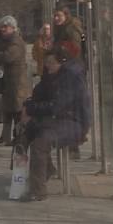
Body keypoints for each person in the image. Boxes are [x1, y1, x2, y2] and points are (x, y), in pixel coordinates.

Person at [19, 47, 90, 201]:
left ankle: (38, 191)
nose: (48, 66)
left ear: (62, 63)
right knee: (24, 136)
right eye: (46, 63)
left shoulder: (70, 77)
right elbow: (38, 94)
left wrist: (31, 109)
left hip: (72, 122)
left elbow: (58, 106)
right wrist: (28, 106)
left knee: (39, 143)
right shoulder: (52, 76)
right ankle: (42, 172)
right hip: (56, 119)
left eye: (51, 63)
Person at [0, 15, 29, 145]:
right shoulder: (7, 40)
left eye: (5, 27)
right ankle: (6, 136)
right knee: (8, 110)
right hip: (9, 81)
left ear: (12, 28)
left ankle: (19, 137)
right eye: (1, 27)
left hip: (17, 82)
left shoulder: (15, 41)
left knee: (17, 111)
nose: (2, 29)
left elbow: (7, 56)